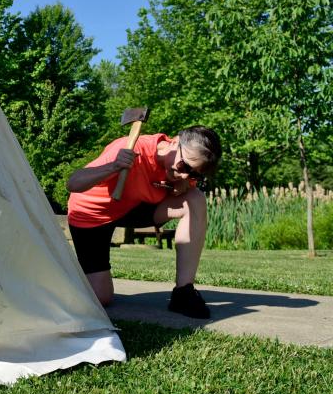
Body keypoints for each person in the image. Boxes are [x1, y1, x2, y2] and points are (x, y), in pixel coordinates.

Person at [66, 125, 222, 318]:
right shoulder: (130, 148)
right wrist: (114, 166)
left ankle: (184, 292)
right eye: (184, 166)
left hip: (133, 208)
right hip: (92, 215)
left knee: (195, 198)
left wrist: (182, 182)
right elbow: (73, 184)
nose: (185, 175)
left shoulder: (182, 168)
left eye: (194, 174)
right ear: (174, 142)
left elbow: (183, 183)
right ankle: (62, 275)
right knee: (101, 297)